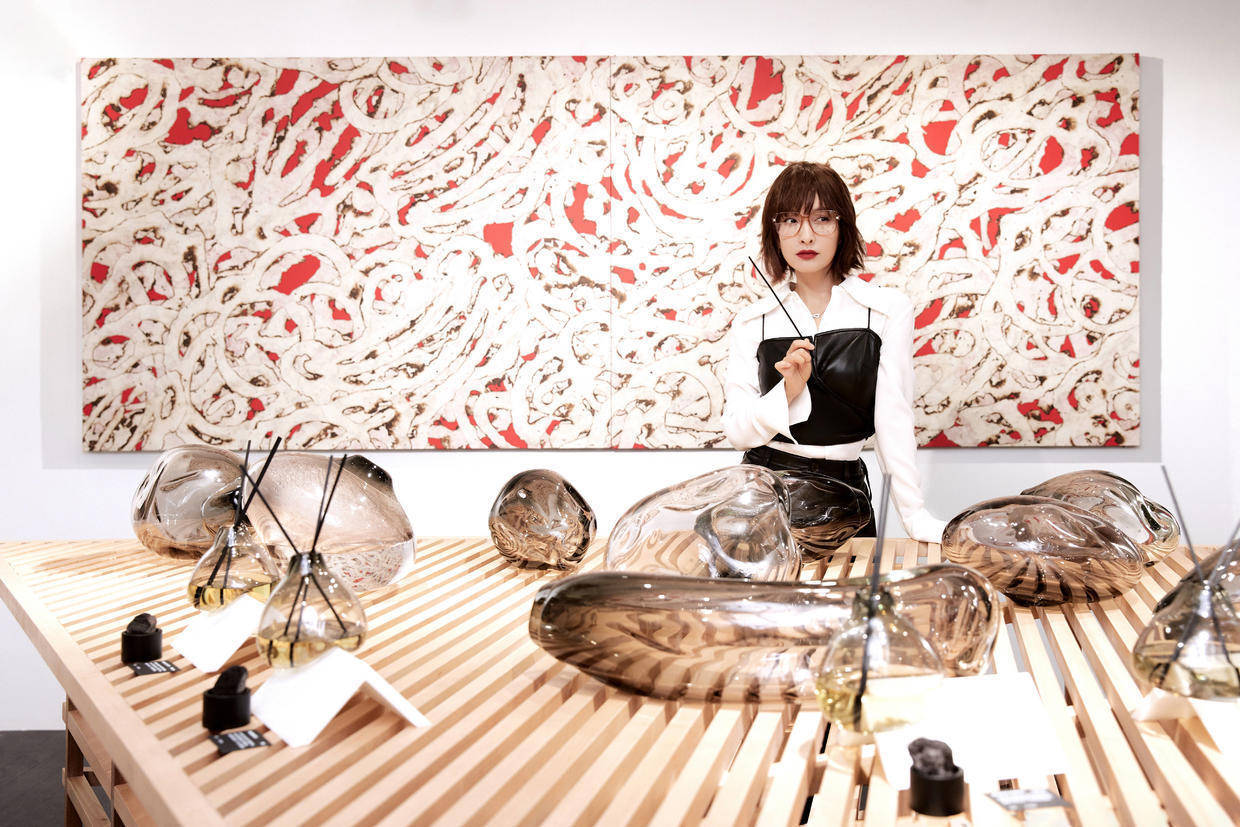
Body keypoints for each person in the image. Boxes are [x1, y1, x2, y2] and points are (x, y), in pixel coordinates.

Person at [722, 161, 945, 543]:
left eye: (822, 218)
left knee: (855, 583)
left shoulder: (886, 310)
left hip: (846, 495)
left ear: (843, 227)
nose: (806, 235)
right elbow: (738, 432)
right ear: (775, 232)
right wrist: (787, 391)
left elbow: (893, 421)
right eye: (790, 220)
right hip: (763, 498)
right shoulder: (752, 321)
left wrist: (914, 516)